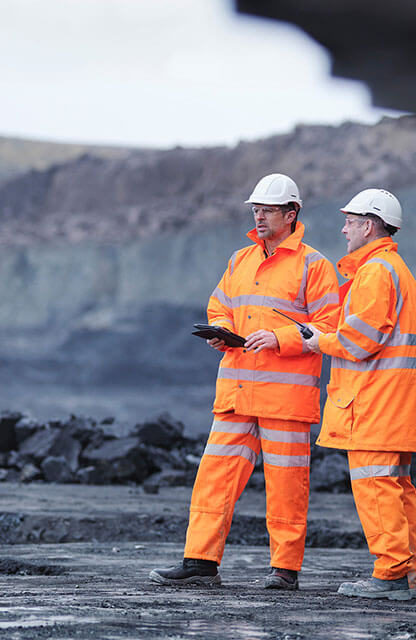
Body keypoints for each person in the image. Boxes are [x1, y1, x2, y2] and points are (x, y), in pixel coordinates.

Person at [150, 173, 339, 589]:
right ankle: (200, 563)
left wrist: (280, 337)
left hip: (285, 398)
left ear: (292, 214)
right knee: (214, 477)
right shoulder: (240, 260)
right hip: (236, 393)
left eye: (268, 210)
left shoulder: (315, 265)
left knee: (287, 485)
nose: (260, 216)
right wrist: (220, 331)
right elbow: (220, 304)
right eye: (256, 209)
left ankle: (284, 571)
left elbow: (329, 327)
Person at [302, 188, 416, 600]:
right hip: (392, 401)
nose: (343, 228)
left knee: (376, 486)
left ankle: (390, 574)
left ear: (369, 225)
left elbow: (361, 338)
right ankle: (408, 571)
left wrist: (320, 340)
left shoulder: (376, 271)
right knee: (397, 486)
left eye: (350, 222)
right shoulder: (393, 267)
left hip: (375, 402)